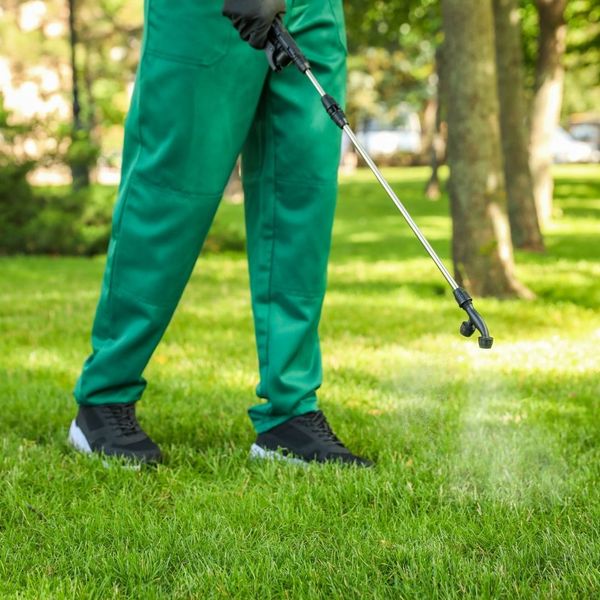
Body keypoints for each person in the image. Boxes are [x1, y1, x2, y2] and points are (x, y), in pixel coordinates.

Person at [68, 0, 371, 467]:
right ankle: (104, 397)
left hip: (315, 10)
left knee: (301, 195)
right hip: (209, 10)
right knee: (171, 191)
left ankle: (290, 413)